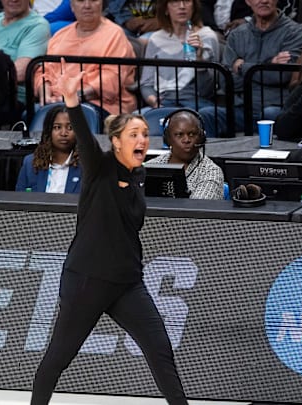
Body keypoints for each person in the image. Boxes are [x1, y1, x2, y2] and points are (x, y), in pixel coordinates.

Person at [30, 59, 188, 405]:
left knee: (160, 350)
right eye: (133, 134)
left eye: (145, 134)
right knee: (59, 358)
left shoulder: (140, 175)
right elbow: (85, 140)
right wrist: (71, 101)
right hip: (88, 280)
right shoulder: (100, 167)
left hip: (127, 281)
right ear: (115, 142)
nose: (142, 139)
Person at [198, 0, 302, 138]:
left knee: (270, 115)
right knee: (206, 115)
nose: (263, 1)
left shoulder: (293, 32)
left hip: (276, 108)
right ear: (248, 2)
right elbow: (226, 82)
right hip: (241, 109)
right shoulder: (237, 35)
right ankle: (208, 159)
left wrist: (243, 67)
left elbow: (282, 75)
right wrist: (269, 65)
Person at [35, 0, 136, 117]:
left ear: (102, 4)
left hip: (101, 105)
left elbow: (111, 79)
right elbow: (44, 71)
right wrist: (45, 94)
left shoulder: (115, 34)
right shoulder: (60, 35)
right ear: (72, 6)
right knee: (31, 114)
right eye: (80, 1)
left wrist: (71, 97)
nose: (87, 5)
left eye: (93, 0)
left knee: (70, 117)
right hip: (55, 101)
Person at [140, 0, 221, 111]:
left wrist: (200, 60)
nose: (182, 6)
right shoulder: (155, 39)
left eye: (187, 1)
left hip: (196, 102)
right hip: (163, 102)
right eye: (175, 1)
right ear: (166, 9)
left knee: (206, 114)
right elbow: (146, 84)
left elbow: (207, 90)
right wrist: (154, 101)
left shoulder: (207, 37)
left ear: (194, 7)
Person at [146, 109, 224, 199]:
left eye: (192, 134)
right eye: (179, 134)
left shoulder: (211, 172)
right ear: (168, 139)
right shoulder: (152, 166)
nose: (186, 140)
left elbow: (196, 209)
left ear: (201, 138)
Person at [15, 105, 82, 192]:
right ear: (48, 131)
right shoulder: (30, 163)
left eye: (70, 128)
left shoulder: (87, 167)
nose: (63, 133)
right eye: (57, 127)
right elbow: (19, 200)